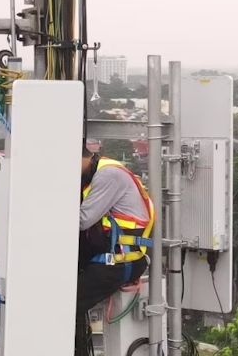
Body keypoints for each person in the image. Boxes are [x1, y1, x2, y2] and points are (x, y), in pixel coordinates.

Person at [75, 142, 155, 355]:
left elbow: (82, 220)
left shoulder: (107, 175)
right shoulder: (97, 174)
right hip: (114, 256)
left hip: (121, 260)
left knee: (66, 303)